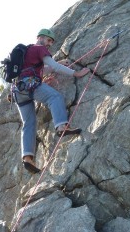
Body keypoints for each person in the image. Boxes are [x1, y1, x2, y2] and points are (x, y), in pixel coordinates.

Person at [13, 28, 90, 174]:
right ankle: (61, 127)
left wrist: (58, 63)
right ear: (40, 37)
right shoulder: (39, 48)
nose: (49, 44)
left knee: (29, 123)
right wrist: (77, 73)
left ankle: (27, 158)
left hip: (18, 90)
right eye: (48, 40)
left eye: (51, 42)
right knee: (54, 97)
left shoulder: (27, 52)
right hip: (30, 85)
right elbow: (53, 66)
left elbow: (43, 70)